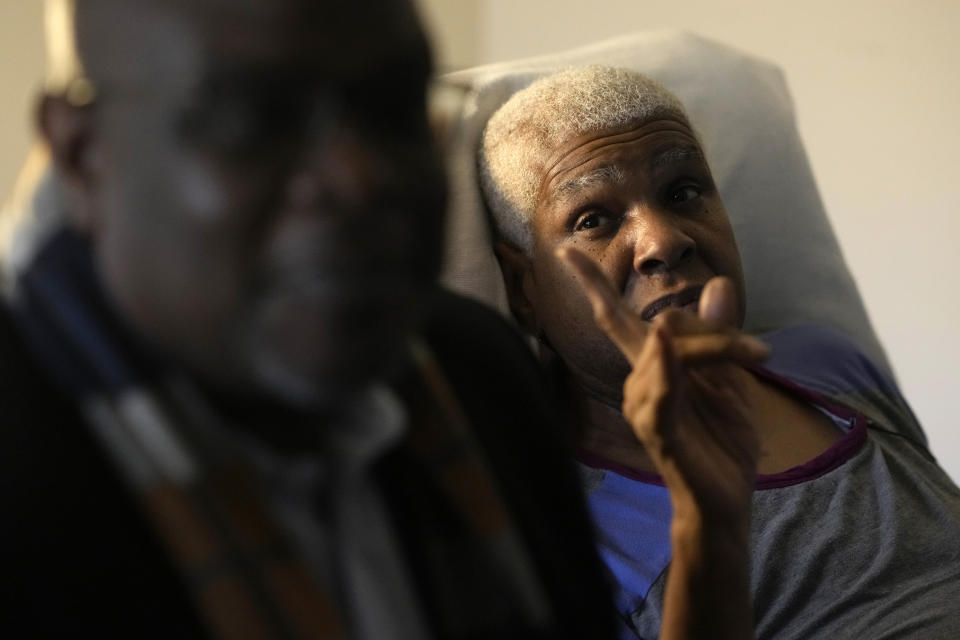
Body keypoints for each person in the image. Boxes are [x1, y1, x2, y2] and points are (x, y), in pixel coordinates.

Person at [0, 1, 617, 638]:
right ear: (82, 154)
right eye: (255, 118)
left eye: (395, 106)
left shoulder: (482, 374)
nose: (359, 177)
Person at [479, 65, 960, 639]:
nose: (664, 241)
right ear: (522, 288)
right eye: (593, 220)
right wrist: (706, 518)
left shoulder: (828, 362)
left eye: (683, 192)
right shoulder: (557, 524)